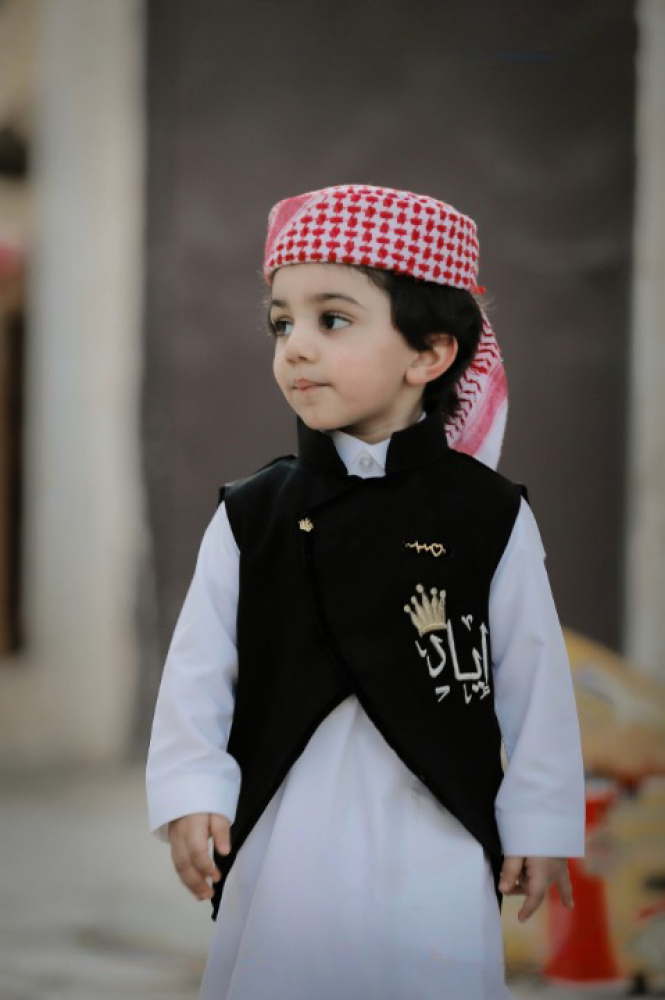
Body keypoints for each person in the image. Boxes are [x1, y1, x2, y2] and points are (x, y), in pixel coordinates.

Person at [146, 183, 586, 1000]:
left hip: (435, 832)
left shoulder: (488, 515)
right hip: (285, 833)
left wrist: (540, 819)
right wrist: (190, 793)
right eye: (282, 322)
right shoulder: (251, 512)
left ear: (429, 354)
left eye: (332, 319)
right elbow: (198, 670)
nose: (296, 348)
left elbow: (534, 677)